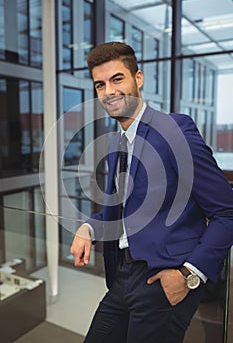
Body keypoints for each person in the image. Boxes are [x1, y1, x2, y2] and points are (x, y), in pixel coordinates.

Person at [70, 42, 233, 343]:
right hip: (122, 277)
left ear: (138, 78)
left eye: (117, 79)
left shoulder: (175, 131)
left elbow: (226, 213)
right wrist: (89, 226)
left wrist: (187, 275)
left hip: (163, 280)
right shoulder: (118, 143)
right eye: (100, 84)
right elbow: (119, 213)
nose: (108, 91)